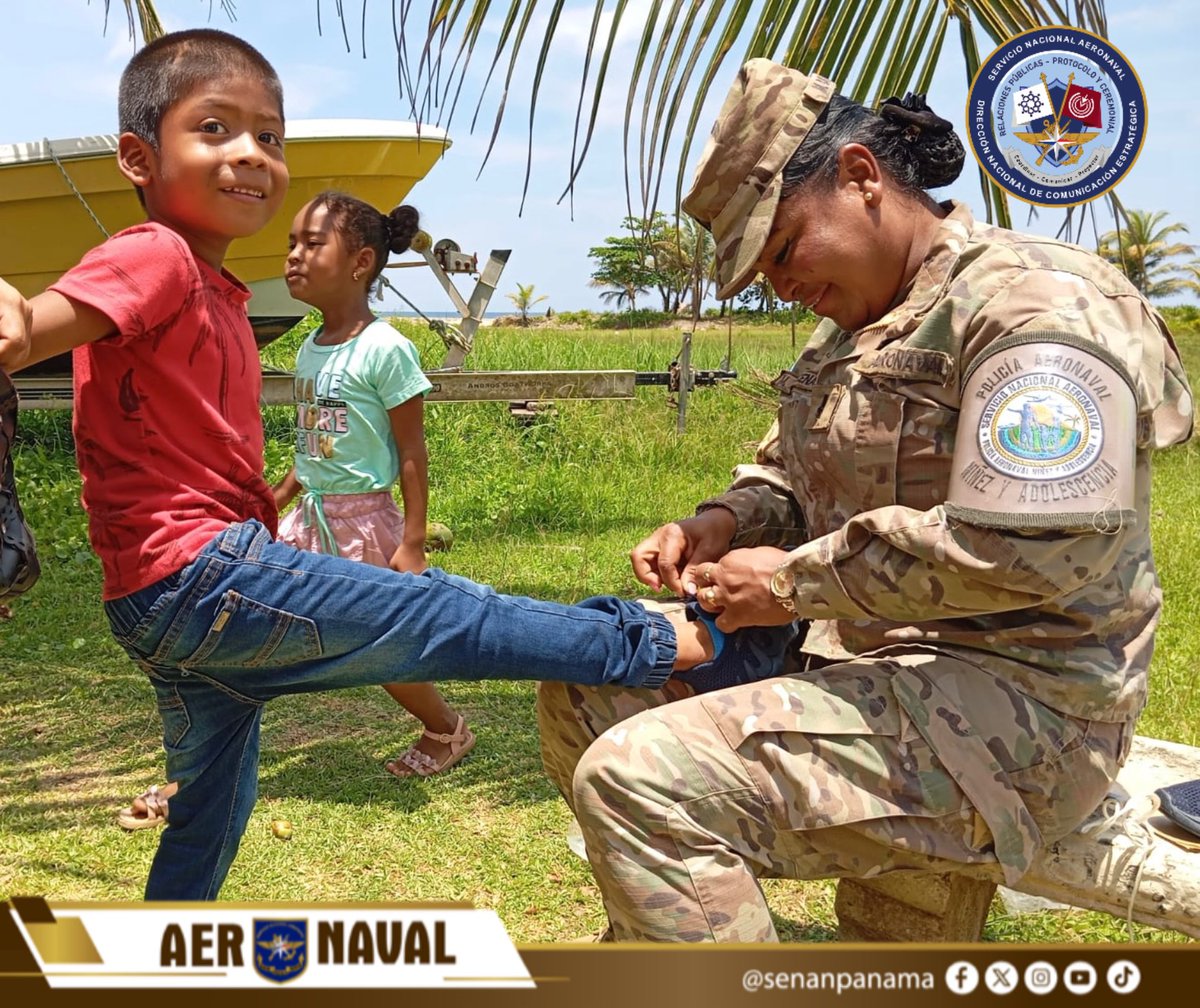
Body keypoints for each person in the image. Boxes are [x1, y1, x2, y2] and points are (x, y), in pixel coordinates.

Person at [0, 28, 724, 900]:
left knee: (210, 810)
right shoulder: (154, 256)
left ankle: (162, 957)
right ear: (138, 157)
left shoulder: (222, 294)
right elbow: (37, 327)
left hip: (155, 602)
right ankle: (658, 639)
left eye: (269, 137)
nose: (251, 156)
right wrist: (21, 319)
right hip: (200, 577)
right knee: (437, 614)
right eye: (216, 129)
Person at [535, 58, 1195, 942]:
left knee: (641, 775)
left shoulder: (1039, 303)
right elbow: (793, 475)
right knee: (589, 690)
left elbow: (1029, 545)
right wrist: (721, 522)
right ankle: (678, 941)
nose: (779, 284)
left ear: (859, 176)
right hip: (873, 671)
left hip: (1030, 709)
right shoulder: (853, 331)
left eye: (782, 248)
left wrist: (791, 587)